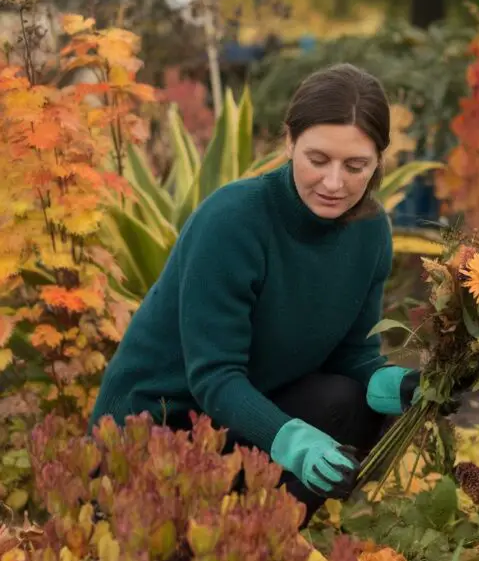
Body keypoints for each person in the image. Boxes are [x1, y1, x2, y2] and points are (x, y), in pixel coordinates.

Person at [90, 64, 432, 523]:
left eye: (356, 166)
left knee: (356, 403)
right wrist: (295, 442)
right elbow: (214, 376)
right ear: (289, 142)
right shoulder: (233, 220)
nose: (335, 183)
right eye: (318, 159)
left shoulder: (370, 230)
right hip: (154, 429)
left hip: (237, 421)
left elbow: (354, 357)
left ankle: (262, 543)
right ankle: (215, 543)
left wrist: (405, 386)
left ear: (378, 160)